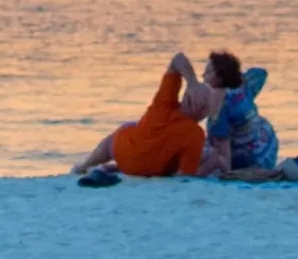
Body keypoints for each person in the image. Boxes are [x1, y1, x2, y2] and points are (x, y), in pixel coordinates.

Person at [75, 53, 217, 180]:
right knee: (206, 154)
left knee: (120, 134)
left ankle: (85, 166)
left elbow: (177, 59)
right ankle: (114, 167)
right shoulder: (195, 134)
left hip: (126, 156)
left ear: (186, 96)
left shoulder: (164, 103)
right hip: (150, 170)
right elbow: (184, 176)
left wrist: (191, 82)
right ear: (203, 113)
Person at [203, 51, 282, 176]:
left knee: (206, 149)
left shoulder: (220, 107)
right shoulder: (244, 86)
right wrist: (235, 76)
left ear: (218, 77)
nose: (203, 76)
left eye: (207, 72)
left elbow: (224, 155)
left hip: (249, 158)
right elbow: (261, 73)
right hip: (267, 142)